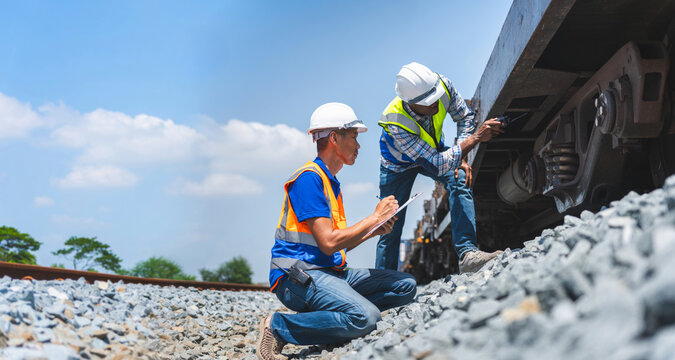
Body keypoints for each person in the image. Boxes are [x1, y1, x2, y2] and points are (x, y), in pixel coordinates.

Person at [256, 102, 417, 360]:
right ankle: (278, 327)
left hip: (329, 272)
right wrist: (373, 217)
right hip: (297, 278)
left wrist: (373, 231)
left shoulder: (330, 181)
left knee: (405, 286)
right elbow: (329, 243)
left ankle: (331, 320)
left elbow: (336, 245)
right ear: (334, 138)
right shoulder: (309, 179)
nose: (358, 145)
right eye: (354, 137)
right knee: (366, 317)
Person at [377, 62, 504, 274]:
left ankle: (468, 255)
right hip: (397, 166)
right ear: (410, 103)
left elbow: (465, 118)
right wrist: (474, 139)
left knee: (459, 178)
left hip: (432, 151)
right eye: (428, 103)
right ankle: (382, 285)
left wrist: (461, 154)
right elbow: (435, 163)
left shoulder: (443, 85)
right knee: (390, 223)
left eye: (435, 97)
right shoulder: (395, 121)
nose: (435, 105)